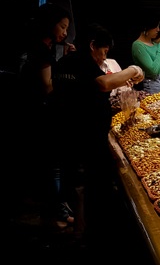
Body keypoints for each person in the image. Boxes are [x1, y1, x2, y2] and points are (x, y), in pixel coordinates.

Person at [54, 23, 144, 236]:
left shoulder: (64, 62)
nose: (104, 57)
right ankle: (87, 238)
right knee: (85, 188)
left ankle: (85, 232)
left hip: (75, 135)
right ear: (92, 45)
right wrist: (133, 70)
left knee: (80, 187)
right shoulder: (80, 61)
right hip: (83, 138)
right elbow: (103, 84)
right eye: (103, 51)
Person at [17, 3, 77, 230]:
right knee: (53, 165)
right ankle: (56, 211)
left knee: (51, 164)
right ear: (49, 25)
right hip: (39, 114)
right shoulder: (40, 49)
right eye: (62, 27)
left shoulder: (44, 46)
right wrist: (70, 79)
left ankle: (56, 206)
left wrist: (63, 61)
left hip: (36, 112)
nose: (64, 32)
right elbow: (47, 85)